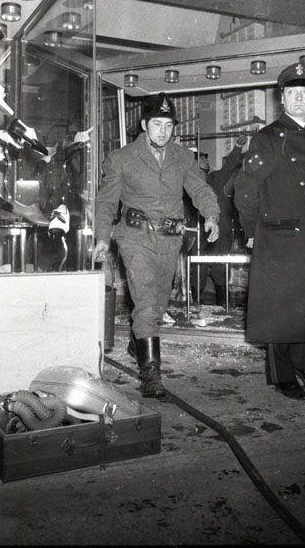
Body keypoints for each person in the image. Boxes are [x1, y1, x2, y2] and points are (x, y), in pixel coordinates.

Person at [93, 92, 220, 398]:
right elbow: (107, 202)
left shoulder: (183, 157)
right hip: (135, 238)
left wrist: (211, 215)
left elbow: (200, 190)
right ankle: (151, 376)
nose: (163, 131)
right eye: (157, 124)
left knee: (157, 305)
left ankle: (139, 343)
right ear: (144, 125)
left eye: (168, 125)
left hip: (170, 240)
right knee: (147, 301)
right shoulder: (121, 158)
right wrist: (102, 237)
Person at [234, 62, 305, 400]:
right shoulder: (268, 138)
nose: (299, 98)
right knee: (281, 311)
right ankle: (284, 375)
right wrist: (251, 230)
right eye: (292, 93)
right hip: (281, 237)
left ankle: (304, 366)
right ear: (281, 98)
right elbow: (245, 190)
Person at [191, 136, 248, 306]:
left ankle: (222, 307)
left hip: (221, 230)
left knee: (220, 267)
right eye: (202, 159)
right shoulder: (189, 182)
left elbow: (229, 166)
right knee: (199, 268)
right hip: (199, 232)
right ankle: (196, 307)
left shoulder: (215, 178)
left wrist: (237, 147)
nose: (206, 162)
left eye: (205, 159)